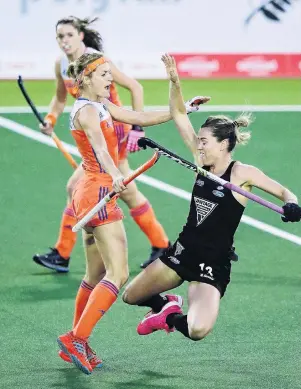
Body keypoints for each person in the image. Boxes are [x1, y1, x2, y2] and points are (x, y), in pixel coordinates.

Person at [122, 54, 301, 342]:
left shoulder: (242, 173)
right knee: (131, 296)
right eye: (199, 141)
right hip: (184, 250)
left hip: (213, 263)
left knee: (197, 330)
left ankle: (169, 317)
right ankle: (165, 306)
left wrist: (291, 204)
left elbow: (283, 192)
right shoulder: (201, 162)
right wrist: (174, 80)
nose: (199, 145)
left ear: (224, 144)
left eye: (205, 141)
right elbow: (179, 114)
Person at [56, 52, 178, 374]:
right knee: (118, 274)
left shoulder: (101, 105)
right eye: (105, 74)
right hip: (99, 192)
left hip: (90, 192)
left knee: (94, 275)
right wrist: (116, 175)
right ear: (86, 79)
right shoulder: (87, 112)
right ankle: (76, 339)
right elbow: (98, 147)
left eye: (111, 74)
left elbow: (138, 117)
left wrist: (179, 111)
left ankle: (77, 340)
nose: (111, 79)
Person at [33, 16, 170, 273]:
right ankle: (161, 243)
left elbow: (135, 87)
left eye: (69, 35)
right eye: (60, 37)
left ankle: (62, 253)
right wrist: (50, 119)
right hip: (98, 124)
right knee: (126, 190)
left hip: (112, 127)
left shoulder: (96, 61)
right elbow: (60, 98)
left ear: (80, 35)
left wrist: (137, 131)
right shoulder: (62, 65)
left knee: (76, 185)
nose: (64, 41)